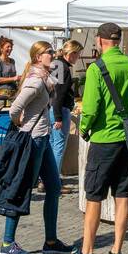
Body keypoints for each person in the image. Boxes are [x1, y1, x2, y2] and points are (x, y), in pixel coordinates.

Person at [72, 22, 128, 254]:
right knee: (122, 194)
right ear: (118, 41)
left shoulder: (97, 69)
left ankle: (86, 253)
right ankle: (116, 252)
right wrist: (127, 112)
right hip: (126, 141)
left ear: (99, 41)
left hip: (103, 139)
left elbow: (92, 107)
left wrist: (84, 128)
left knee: (94, 196)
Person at [0, 40, 68, 254]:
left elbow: (59, 82)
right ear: (39, 57)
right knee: (21, 186)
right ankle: (7, 243)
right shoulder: (36, 81)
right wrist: (19, 122)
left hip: (43, 138)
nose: (53, 55)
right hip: (32, 140)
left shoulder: (45, 78)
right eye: (50, 53)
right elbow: (14, 108)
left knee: (54, 187)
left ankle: (51, 241)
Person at [49, 39, 83, 180]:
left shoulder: (56, 64)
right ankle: (53, 180)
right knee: (58, 146)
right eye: (78, 54)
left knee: (52, 145)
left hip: (52, 108)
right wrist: (58, 116)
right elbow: (59, 93)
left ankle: (46, 179)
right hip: (59, 110)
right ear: (71, 53)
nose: (78, 57)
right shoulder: (63, 67)